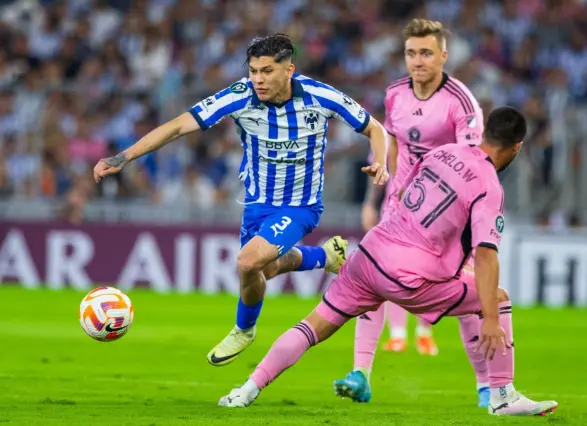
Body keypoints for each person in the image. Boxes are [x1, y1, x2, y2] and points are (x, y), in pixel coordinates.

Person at [217, 107, 559, 417]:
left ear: (485, 134)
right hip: (411, 276)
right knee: (497, 300)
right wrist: (489, 319)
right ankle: (502, 395)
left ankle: (245, 391)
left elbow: (400, 193)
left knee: (311, 327)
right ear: (517, 147)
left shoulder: (444, 151)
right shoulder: (489, 185)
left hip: (369, 254)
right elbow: (485, 255)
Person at [92, 34, 389, 367]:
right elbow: (178, 126)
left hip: (300, 207)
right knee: (268, 267)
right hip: (255, 206)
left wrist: (381, 161)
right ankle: (326, 256)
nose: (258, 80)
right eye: (253, 71)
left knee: (248, 262)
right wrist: (124, 156)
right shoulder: (240, 96)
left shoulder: (320, 96)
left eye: (267, 71)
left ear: (288, 70)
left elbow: (375, 128)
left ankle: (244, 329)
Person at [339, 18, 490, 407]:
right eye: (411, 53)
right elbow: (392, 146)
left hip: (446, 219)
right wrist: (377, 195)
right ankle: (360, 374)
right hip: (398, 210)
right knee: (369, 284)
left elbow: (471, 163)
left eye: (426, 53)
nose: (417, 61)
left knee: (467, 297)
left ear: (443, 55)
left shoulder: (461, 102)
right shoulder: (395, 95)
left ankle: (487, 386)